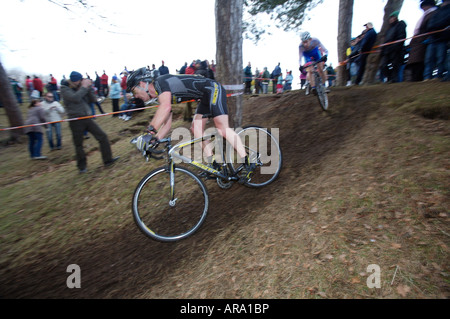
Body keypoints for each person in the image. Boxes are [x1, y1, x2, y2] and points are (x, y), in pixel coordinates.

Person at [126, 68, 256, 182]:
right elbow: (167, 125)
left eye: (134, 91)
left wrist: (149, 133)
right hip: (205, 96)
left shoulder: (160, 83)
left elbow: (165, 107)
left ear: (142, 84)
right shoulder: (162, 95)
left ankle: (248, 161)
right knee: (195, 128)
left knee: (222, 128)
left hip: (213, 89)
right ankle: (215, 165)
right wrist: (155, 140)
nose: (135, 96)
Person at [60, 71, 119, 173]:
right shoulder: (64, 88)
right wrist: (84, 87)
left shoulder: (82, 87)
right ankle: (82, 167)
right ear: (75, 80)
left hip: (87, 117)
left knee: (102, 136)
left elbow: (93, 99)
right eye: (80, 80)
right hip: (75, 120)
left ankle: (108, 160)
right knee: (79, 144)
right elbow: (76, 98)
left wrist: (89, 87)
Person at [406, 0, 438, 81]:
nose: (423, 9)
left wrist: (426, 39)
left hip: (423, 41)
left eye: (424, 7)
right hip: (417, 42)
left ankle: (421, 77)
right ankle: (415, 78)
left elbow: (429, 27)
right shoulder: (424, 16)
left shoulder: (432, 14)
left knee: (420, 61)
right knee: (414, 63)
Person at [423, 0, 450, 81]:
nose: (444, 3)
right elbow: (430, 24)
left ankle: (439, 75)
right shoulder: (437, 11)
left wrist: (438, 27)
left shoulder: (448, 10)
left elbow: (446, 20)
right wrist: (434, 28)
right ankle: (427, 76)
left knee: (440, 58)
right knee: (429, 59)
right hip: (433, 38)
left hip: (442, 38)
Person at [379, 12, 407, 83]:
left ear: (395, 18)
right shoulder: (389, 29)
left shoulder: (400, 25)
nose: (390, 20)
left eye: (392, 18)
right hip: (387, 50)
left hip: (396, 50)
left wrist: (395, 47)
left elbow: (401, 37)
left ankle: (394, 80)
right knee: (383, 65)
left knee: (395, 65)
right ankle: (389, 77)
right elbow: (386, 41)